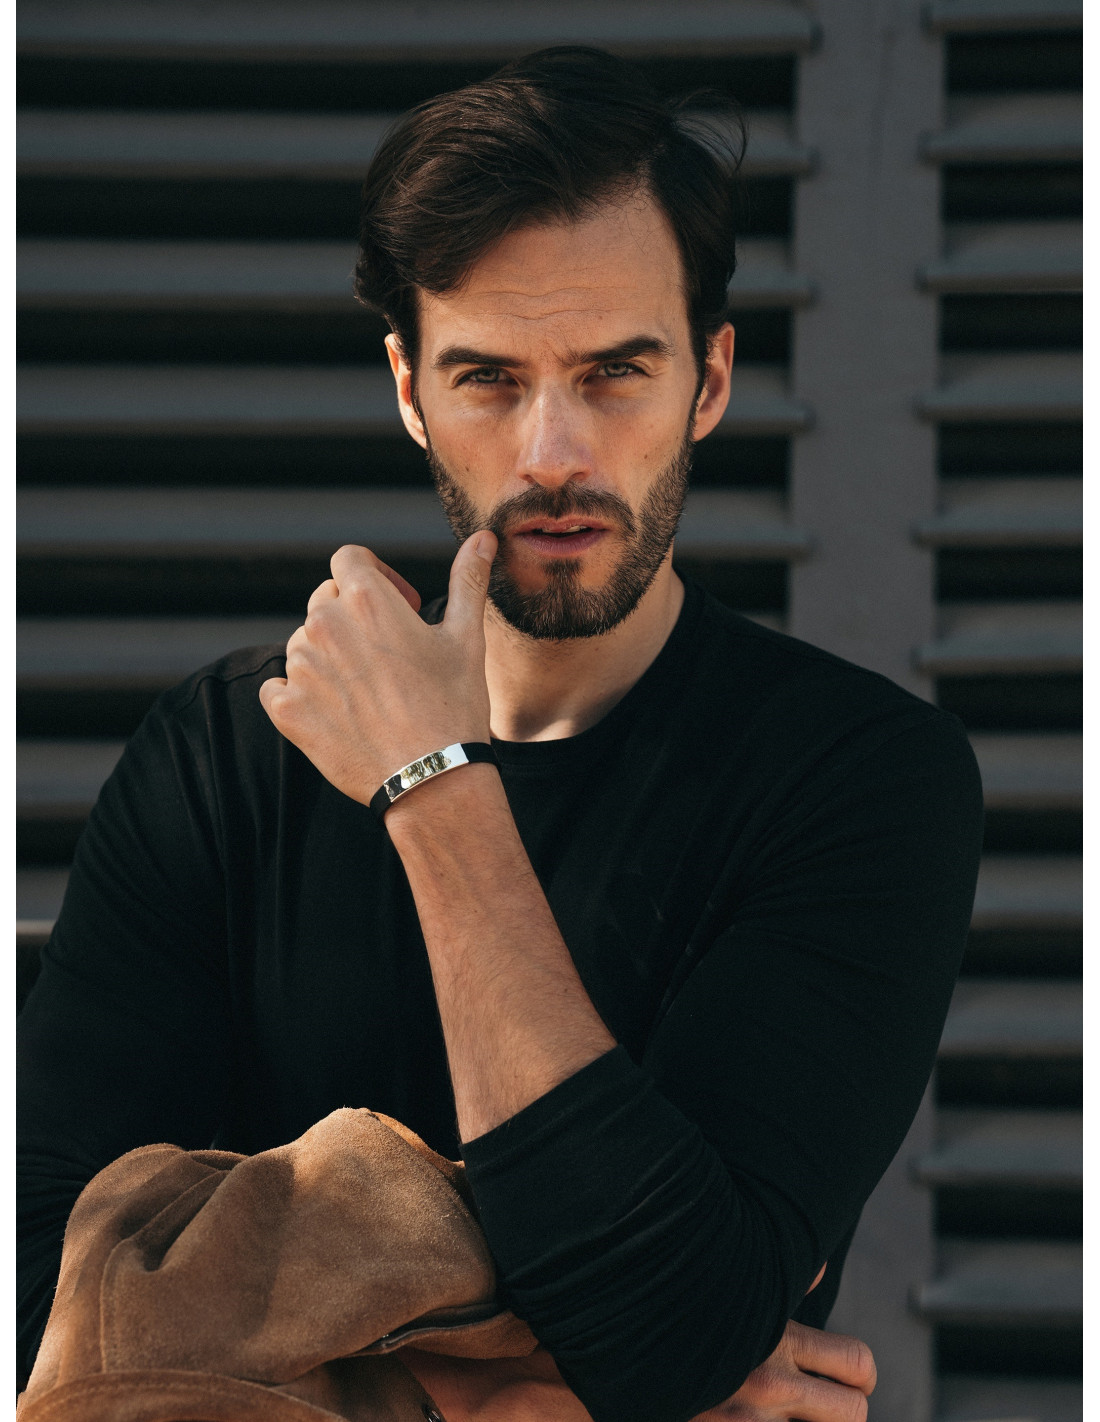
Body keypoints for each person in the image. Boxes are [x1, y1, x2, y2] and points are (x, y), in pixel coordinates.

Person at [17, 46, 983, 1422]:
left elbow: (672, 1321)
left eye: (614, 372)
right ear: (409, 387)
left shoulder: (861, 779)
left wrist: (435, 790)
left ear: (710, 380)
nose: (553, 455)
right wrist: (490, 1395)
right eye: (488, 378)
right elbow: (46, 1302)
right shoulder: (225, 757)